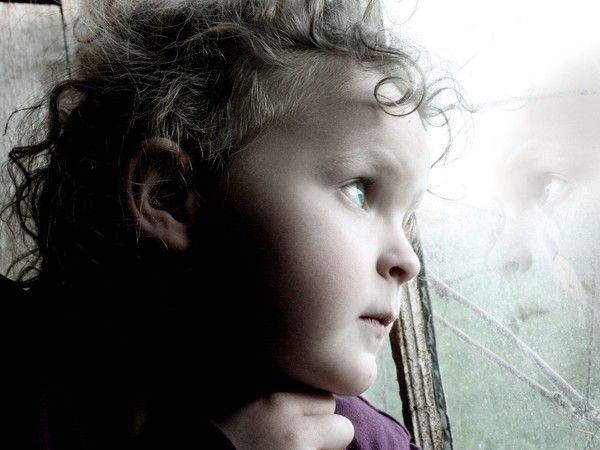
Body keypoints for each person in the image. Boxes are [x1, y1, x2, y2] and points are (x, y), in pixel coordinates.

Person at [1, 0, 454, 448]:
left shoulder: (371, 442)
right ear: (170, 195)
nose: (409, 261)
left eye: (407, 219)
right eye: (358, 191)